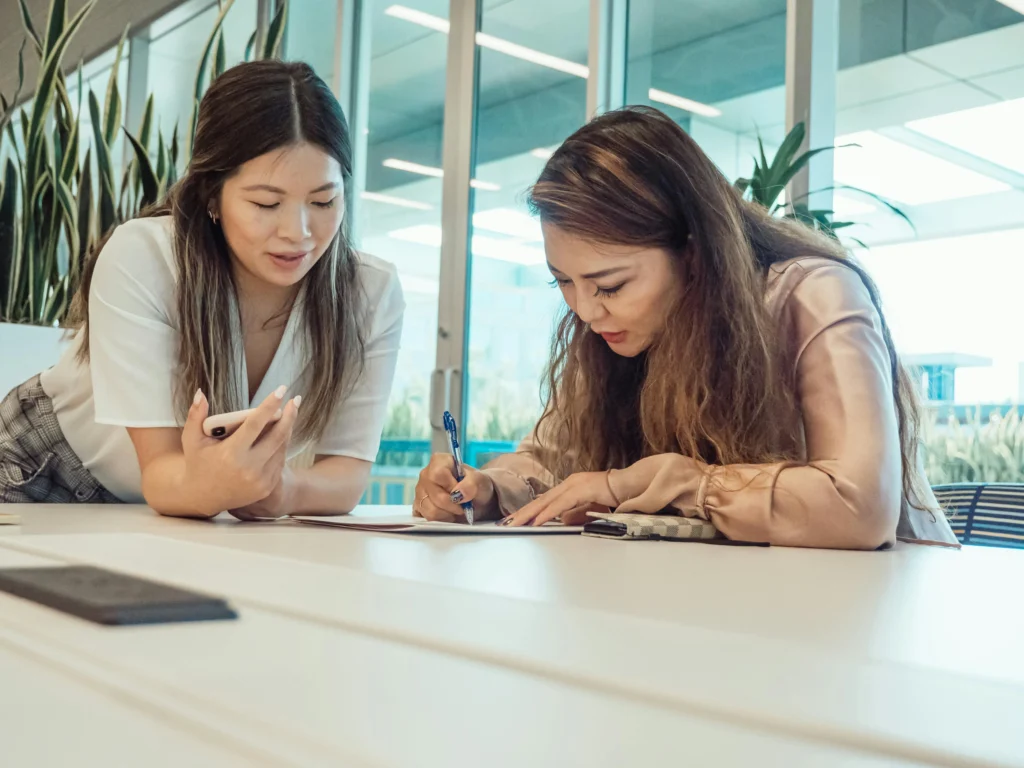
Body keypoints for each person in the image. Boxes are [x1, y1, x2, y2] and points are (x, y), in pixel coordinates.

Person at [414, 106, 958, 550]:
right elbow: (550, 456)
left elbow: (859, 505)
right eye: (563, 282)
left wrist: (677, 482)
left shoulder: (813, 293)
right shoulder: (616, 331)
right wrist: (485, 490)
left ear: (694, 255)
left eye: (609, 285)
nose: (585, 311)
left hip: (882, 608)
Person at [0, 61, 404, 519]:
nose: (299, 232)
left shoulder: (371, 292)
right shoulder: (144, 257)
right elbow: (162, 473)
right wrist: (215, 486)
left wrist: (283, 490)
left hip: (180, 507)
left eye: (323, 201)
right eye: (266, 203)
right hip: (37, 468)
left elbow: (346, 478)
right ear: (212, 195)